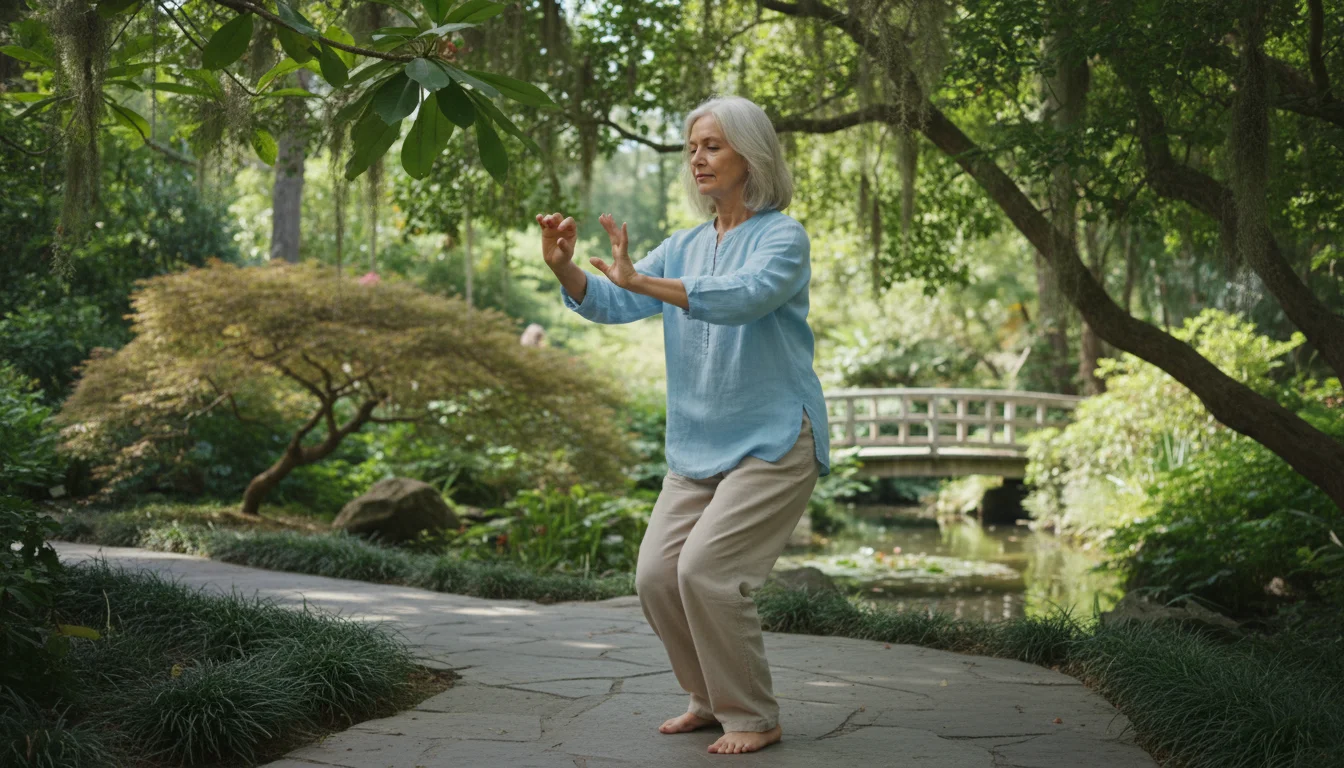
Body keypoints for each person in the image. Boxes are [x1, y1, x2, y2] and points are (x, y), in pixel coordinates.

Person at [534, 95, 831, 755]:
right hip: (698, 448)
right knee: (657, 577)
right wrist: (566, 268)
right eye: (693, 146)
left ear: (750, 155)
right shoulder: (687, 244)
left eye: (713, 145)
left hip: (775, 440)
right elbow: (613, 300)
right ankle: (708, 698)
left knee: (707, 572)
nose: (698, 157)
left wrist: (646, 280)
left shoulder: (783, 236)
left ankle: (753, 714)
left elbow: (744, 297)